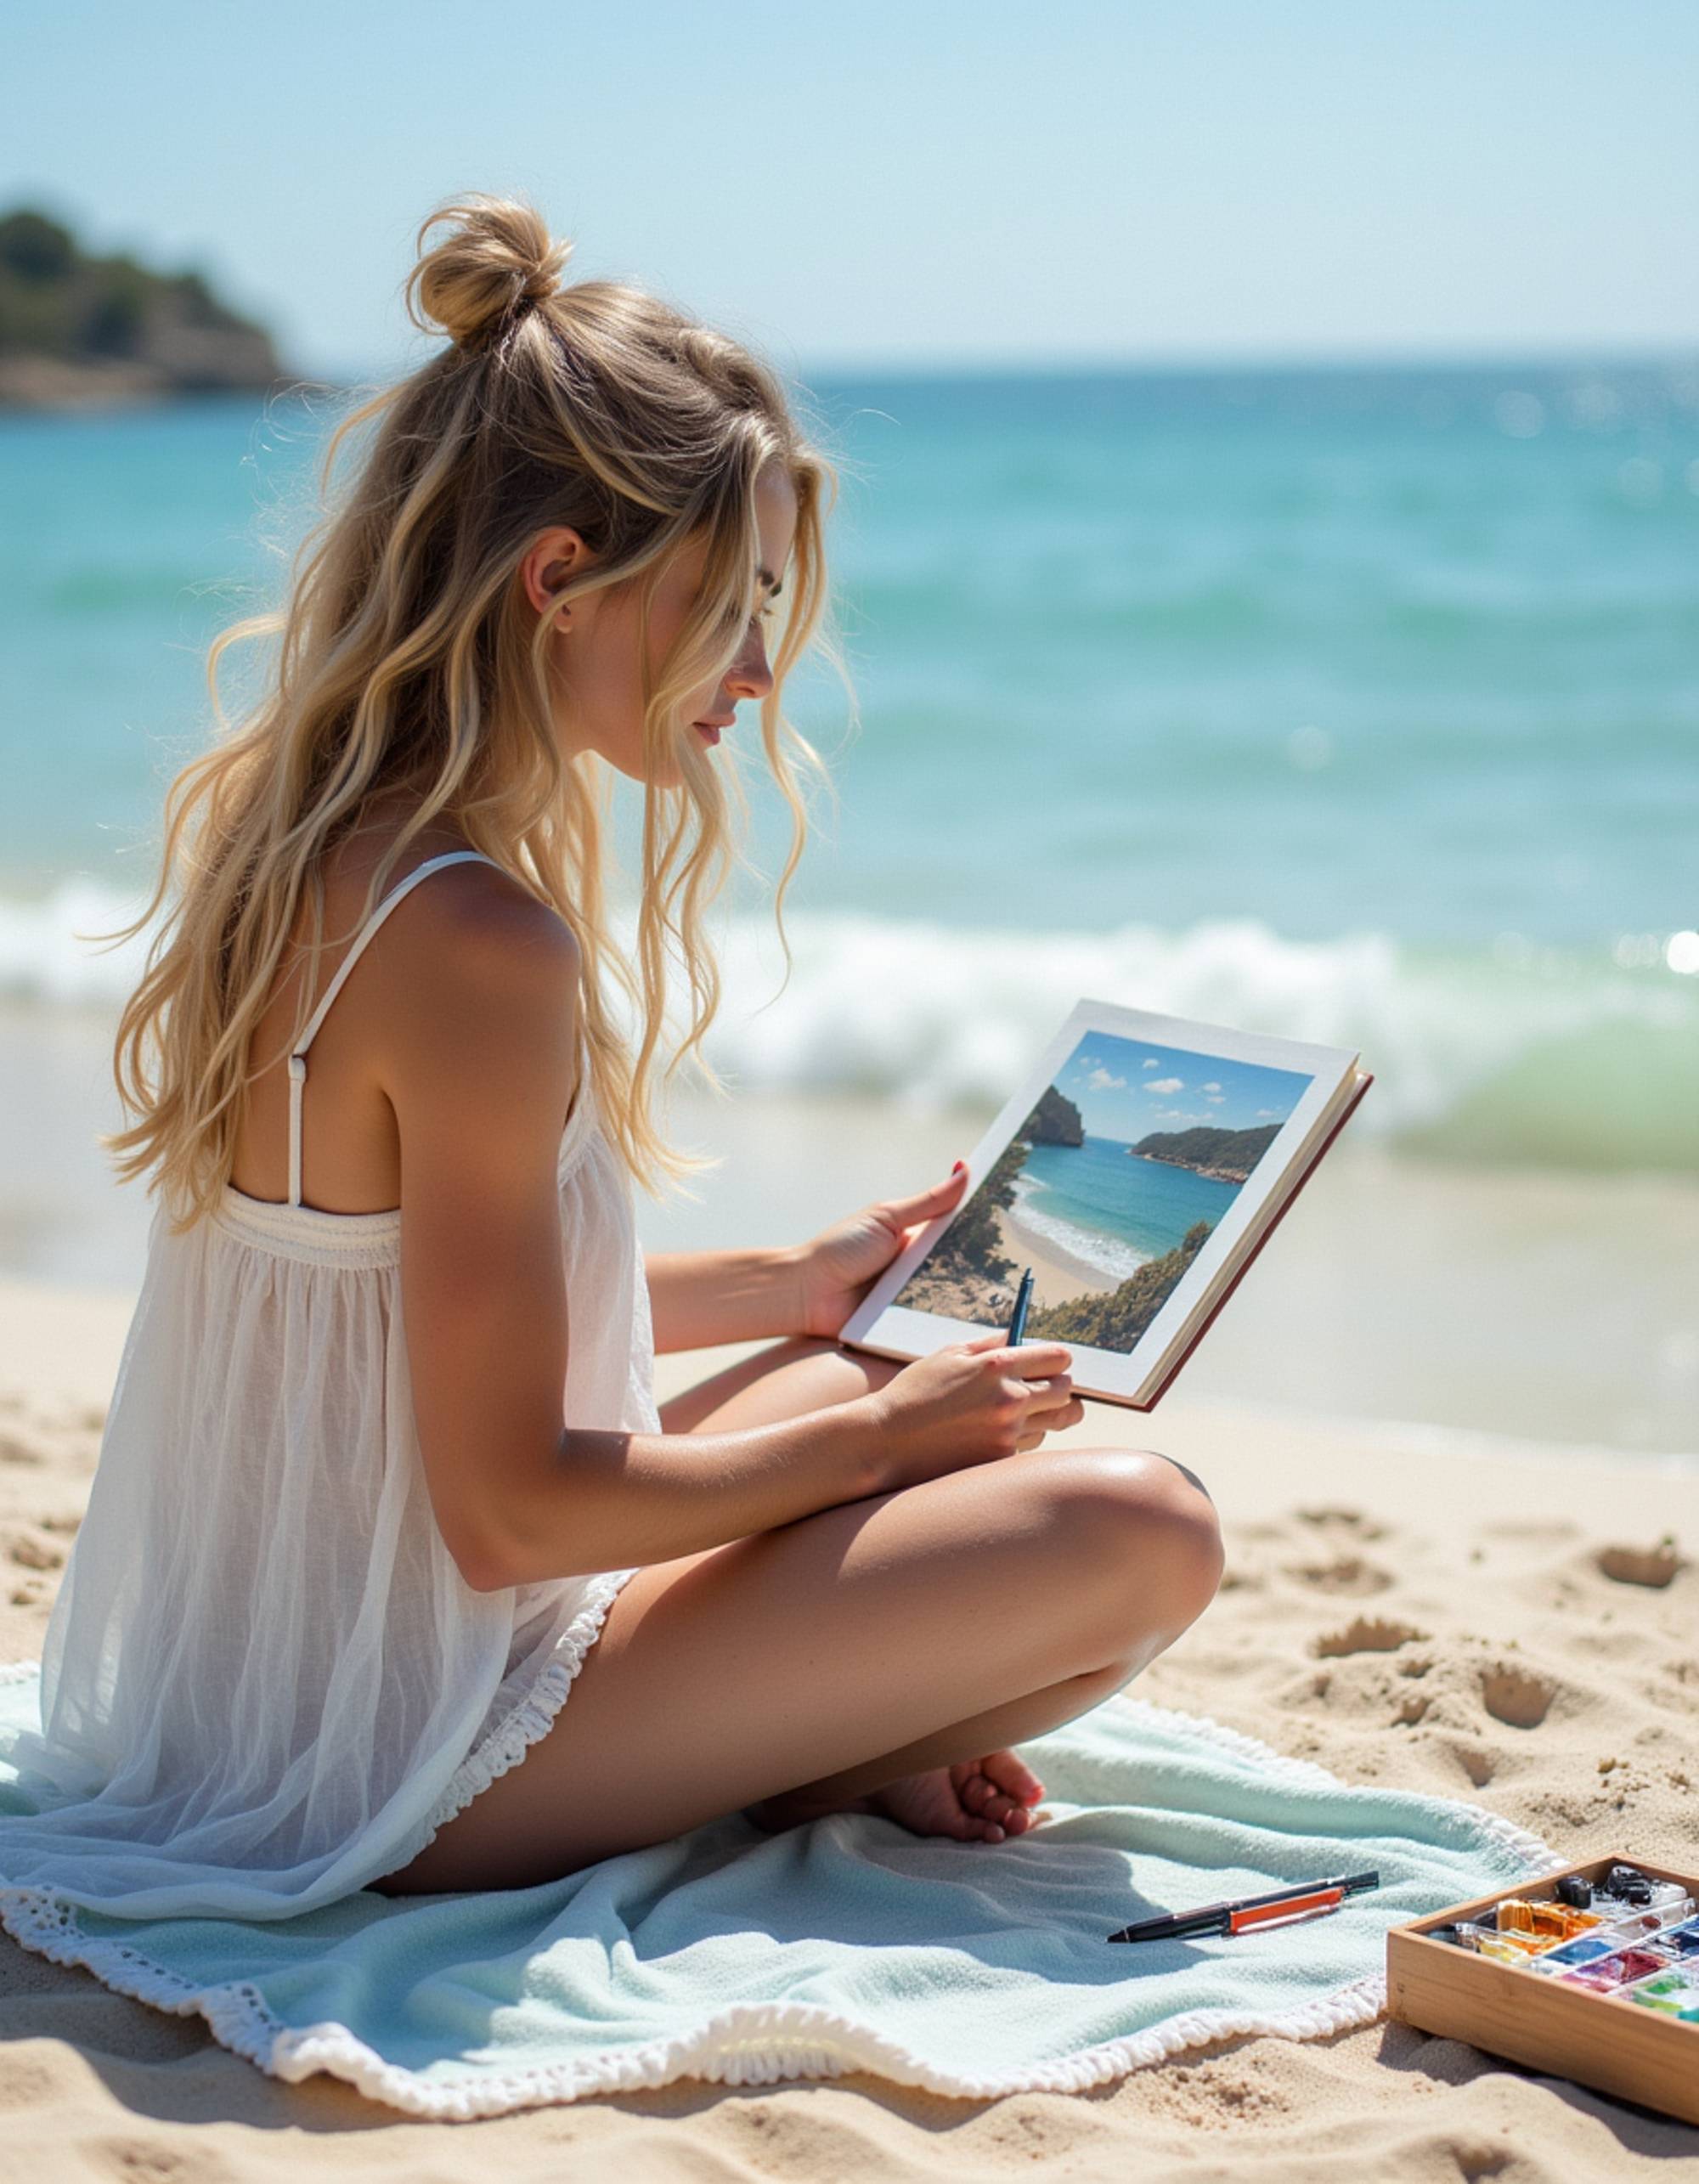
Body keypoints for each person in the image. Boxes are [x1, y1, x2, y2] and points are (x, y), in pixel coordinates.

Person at [0, 195, 1222, 1925]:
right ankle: (802, 1735)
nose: (756, 670)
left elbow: (395, 1321)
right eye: (729, 605)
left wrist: (796, 1283)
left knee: (896, 1382)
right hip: (398, 1748)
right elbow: (503, 1507)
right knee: (1140, 1520)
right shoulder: (476, 942)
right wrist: (883, 1449)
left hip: (270, 1677)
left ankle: (822, 1712)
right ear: (560, 578)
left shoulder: (318, 847)